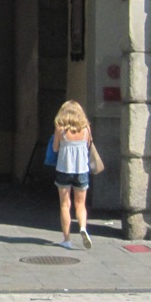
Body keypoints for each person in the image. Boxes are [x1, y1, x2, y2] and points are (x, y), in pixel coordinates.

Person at [52, 99, 93, 250]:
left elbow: (55, 149)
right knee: (80, 204)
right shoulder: (86, 129)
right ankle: (82, 227)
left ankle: (67, 239)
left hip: (64, 169)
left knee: (65, 204)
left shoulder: (60, 129)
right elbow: (88, 147)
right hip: (82, 170)